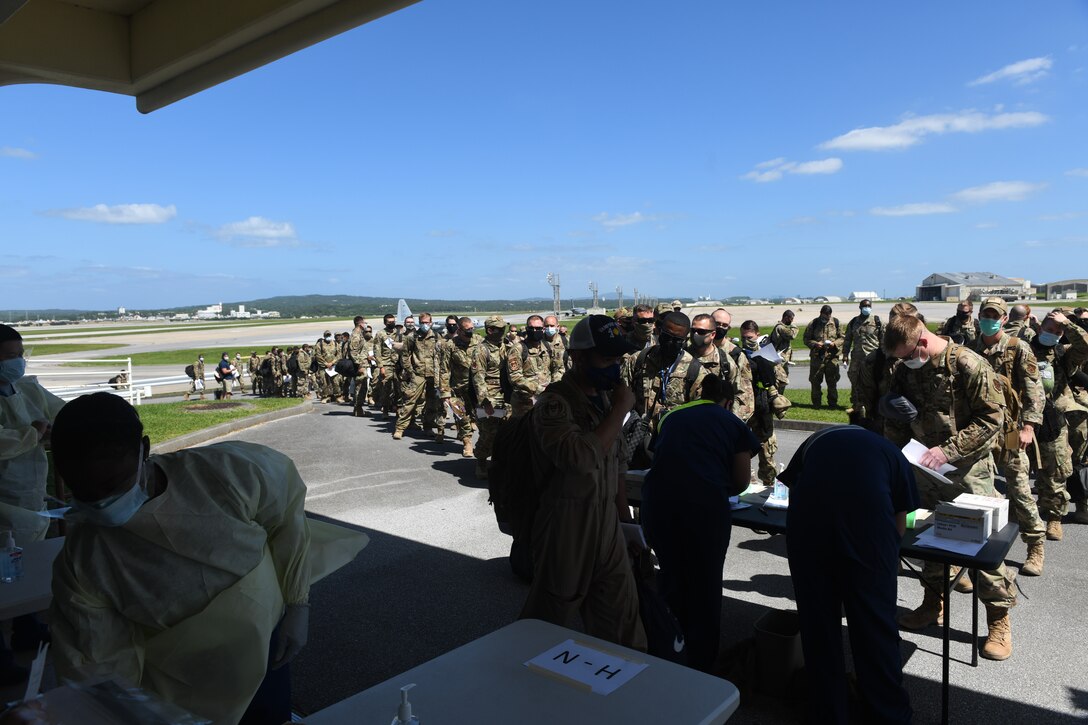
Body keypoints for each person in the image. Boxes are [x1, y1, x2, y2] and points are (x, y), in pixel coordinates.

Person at [49, 393, 313, 723]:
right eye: (84, 491)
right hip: (182, 677)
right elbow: (99, 660)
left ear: (144, 449)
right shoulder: (83, 562)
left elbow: (285, 516)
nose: (101, 501)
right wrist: (126, 712)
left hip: (264, 638)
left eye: (112, 483)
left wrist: (297, 602)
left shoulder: (223, 473)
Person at [882, 314, 1016, 660]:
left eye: (907, 354)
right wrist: (892, 453)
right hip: (923, 469)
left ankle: (998, 620)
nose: (904, 362)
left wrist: (948, 450)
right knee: (930, 539)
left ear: (922, 342)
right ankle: (932, 603)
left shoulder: (969, 364)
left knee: (983, 547)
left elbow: (992, 418)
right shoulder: (904, 368)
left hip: (969, 471)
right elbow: (899, 417)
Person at [521, 315, 646, 651]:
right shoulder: (555, 404)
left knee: (622, 618)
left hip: (606, 521)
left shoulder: (605, 400)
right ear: (577, 357)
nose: (615, 367)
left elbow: (616, 464)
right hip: (566, 523)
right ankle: (526, 685)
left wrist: (624, 521)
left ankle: (623, 687)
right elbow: (578, 459)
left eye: (619, 360)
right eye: (607, 359)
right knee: (549, 618)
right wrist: (620, 410)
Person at [778, 425, 916, 725]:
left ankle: (829, 712)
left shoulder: (814, 441)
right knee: (875, 628)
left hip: (808, 529)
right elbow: (899, 521)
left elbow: (794, 493)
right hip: (868, 533)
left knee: (819, 627)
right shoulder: (891, 452)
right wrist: (883, 567)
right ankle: (888, 714)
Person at [641, 374, 757, 673]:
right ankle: (702, 663)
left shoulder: (671, 416)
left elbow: (658, 455)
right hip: (702, 509)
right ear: (728, 401)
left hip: (658, 505)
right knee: (704, 585)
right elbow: (742, 480)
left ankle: (667, 647)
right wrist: (716, 487)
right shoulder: (732, 422)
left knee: (670, 576)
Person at [0, 324, 59, 683]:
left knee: (22, 568)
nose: (16, 363)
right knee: (2, 577)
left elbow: (60, 412)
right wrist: (35, 432)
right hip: (4, 501)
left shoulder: (26, 388)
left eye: (19, 355)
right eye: (8, 357)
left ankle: (26, 627)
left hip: (28, 493)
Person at [972, 298, 1046, 575]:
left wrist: (1029, 427)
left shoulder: (1017, 348)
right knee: (979, 492)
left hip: (1012, 431)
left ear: (1004, 319)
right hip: (981, 431)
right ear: (979, 317)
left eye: (995, 315)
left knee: (1018, 487)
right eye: (985, 314)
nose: (989, 319)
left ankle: (1035, 545)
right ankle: (979, 550)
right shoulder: (971, 348)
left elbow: (1034, 391)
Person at [1028, 308, 1088, 540]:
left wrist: (1068, 325)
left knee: (1055, 471)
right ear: (1040, 327)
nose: (1052, 334)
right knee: (1021, 471)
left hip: (1053, 419)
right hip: (1024, 418)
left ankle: (1053, 518)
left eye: (1057, 331)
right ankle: (1021, 515)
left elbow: (1085, 345)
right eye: (1049, 328)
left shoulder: (1063, 353)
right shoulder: (1022, 349)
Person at [392, 313, 443, 441]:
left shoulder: (436, 337)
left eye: (427, 322)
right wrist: (410, 372)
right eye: (422, 322)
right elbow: (405, 355)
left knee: (432, 403)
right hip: (418, 374)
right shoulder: (412, 337)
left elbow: (442, 355)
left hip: (433, 375)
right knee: (410, 401)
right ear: (419, 323)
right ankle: (400, 428)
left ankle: (428, 427)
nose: (425, 325)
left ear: (431, 323)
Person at [472, 315, 508, 479]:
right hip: (489, 396)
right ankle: (480, 460)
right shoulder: (481, 349)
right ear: (490, 330)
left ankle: (499, 461)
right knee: (488, 432)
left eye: (503, 329)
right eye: (499, 329)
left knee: (506, 432)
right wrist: (485, 401)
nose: (502, 332)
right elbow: (478, 376)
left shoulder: (507, 346)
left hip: (506, 394)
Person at [507, 315, 561, 418]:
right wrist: (538, 389)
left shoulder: (548, 347)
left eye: (538, 328)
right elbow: (515, 377)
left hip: (546, 401)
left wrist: (553, 386)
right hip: (524, 404)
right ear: (527, 329)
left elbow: (558, 368)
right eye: (531, 328)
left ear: (543, 329)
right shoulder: (518, 349)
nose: (535, 331)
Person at [439, 316, 478, 457]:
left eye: (472, 329)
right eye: (467, 330)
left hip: (476, 389)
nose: (470, 332)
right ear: (459, 330)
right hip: (458, 389)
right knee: (462, 417)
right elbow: (444, 369)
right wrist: (445, 393)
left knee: (479, 417)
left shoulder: (479, 342)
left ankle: (483, 445)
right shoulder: (450, 345)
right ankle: (467, 443)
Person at [843, 299, 883, 413]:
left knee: (872, 382)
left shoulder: (877, 321)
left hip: (873, 358)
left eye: (869, 306)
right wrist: (845, 355)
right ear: (860, 307)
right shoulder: (853, 322)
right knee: (855, 380)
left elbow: (883, 339)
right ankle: (856, 405)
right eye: (865, 306)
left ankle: (873, 405)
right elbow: (847, 340)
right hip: (857, 358)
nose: (867, 307)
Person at [803, 305, 844, 408]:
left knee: (832, 382)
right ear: (821, 313)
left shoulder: (836, 322)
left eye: (829, 315)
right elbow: (806, 339)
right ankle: (816, 404)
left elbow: (843, 338)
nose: (827, 317)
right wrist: (815, 344)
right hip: (817, 357)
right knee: (815, 381)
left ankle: (833, 404)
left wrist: (834, 343)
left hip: (832, 358)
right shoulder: (814, 323)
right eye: (825, 314)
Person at [374, 314, 401, 419]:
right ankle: (385, 409)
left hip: (397, 365)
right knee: (386, 389)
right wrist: (381, 366)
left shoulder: (399, 333)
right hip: (386, 364)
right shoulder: (380, 334)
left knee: (399, 388)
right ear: (385, 323)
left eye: (393, 321)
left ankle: (398, 409)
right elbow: (377, 351)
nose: (392, 323)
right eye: (389, 322)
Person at [348, 316, 372, 417]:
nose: (366, 324)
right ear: (360, 323)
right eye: (365, 322)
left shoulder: (360, 334)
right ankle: (358, 409)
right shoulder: (356, 335)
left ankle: (358, 408)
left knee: (363, 387)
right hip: (359, 366)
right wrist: (359, 365)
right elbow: (353, 352)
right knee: (360, 388)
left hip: (363, 363)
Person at [769, 309, 798, 393]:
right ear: (786, 318)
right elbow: (792, 335)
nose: (792, 321)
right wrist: (794, 326)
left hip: (782, 359)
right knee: (780, 379)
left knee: (783, 379)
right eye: (791, 319)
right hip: (779, 358)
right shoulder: (780, 327)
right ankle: (776, 397)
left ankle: (780, 397)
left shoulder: (782, 327)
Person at [314, 330, 341, 403]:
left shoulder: (335, 344)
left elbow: (338, 354)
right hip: (323, 367)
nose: (328, 337)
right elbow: (318, 355)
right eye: (326, 335)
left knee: (335, 381)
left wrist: (333, 362)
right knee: (324, 382)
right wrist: (325, 363)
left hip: (333, 366)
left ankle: (337, 396)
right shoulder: (320, 344)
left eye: (329, 335)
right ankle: (326, 396)